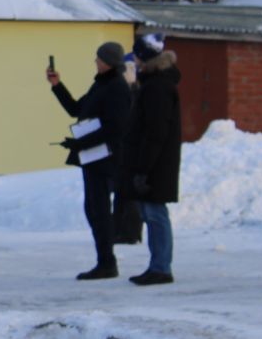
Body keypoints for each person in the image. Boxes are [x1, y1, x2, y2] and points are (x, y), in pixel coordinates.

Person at [49, 41, 134, 279]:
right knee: (94, 209)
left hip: (105, 158)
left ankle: (107, 263)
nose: (95, 61)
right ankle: (105, 260)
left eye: (98, 58)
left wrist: (81, 143)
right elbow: (77, 109)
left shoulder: (117, 87)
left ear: (107, 62)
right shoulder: (102, 84)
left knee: (99, 209)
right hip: (92, 156)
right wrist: (57, 85)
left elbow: (115, 128)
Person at [124, 35, 181, 284]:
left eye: (136, 56)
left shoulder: (158, 87)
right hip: (153, 161)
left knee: (156, 215)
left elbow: (155, 131)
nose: (134, 60)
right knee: (151, 214)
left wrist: (143, 169)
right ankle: (157, 265)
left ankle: (161, 267)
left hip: (156, 164)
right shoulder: (152, 84)